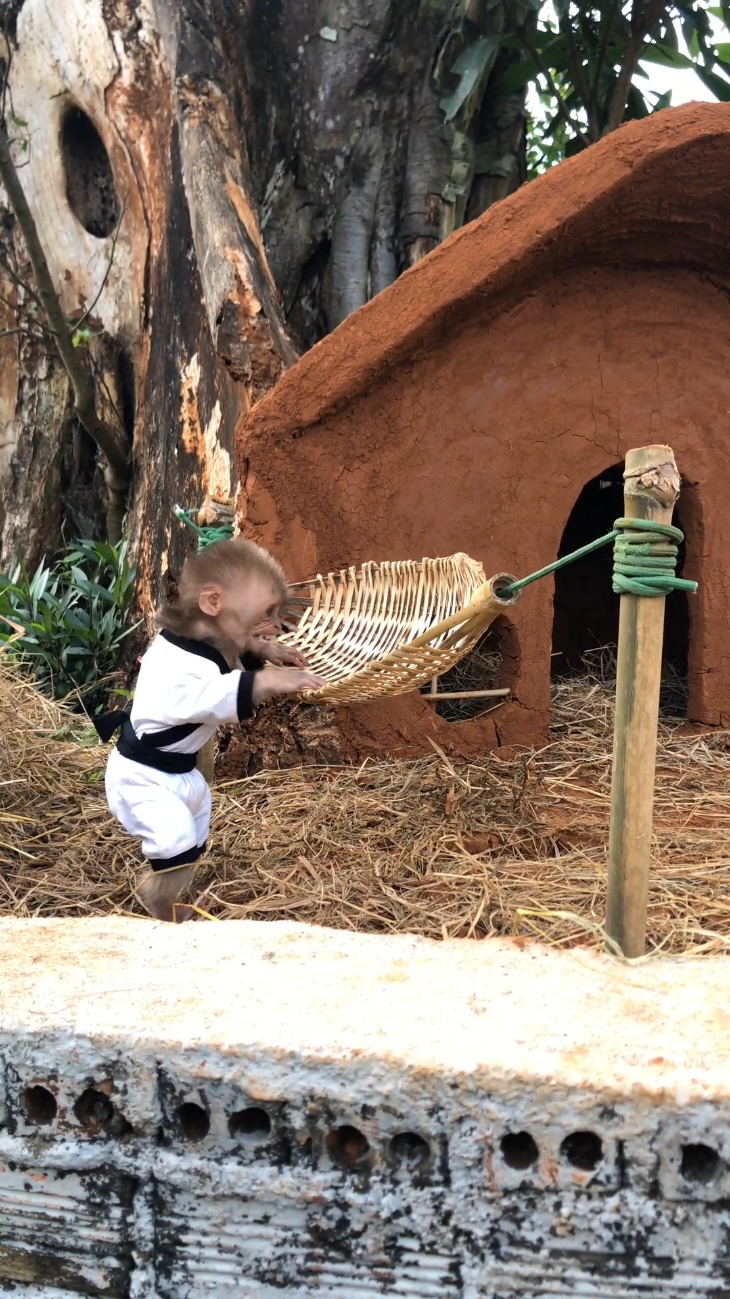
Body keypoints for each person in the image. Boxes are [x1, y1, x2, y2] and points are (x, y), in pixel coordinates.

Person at [94, 537, 325, 921]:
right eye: (268, 612)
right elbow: (214, 694)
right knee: (176, 840)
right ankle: (162, 910)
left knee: (195, 833)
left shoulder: (202, 641)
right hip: (142, 777)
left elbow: (231, 656)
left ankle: (180, 891)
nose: (277, 626)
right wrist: (270, 681)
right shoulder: (175, 666)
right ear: (213, 603)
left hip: (180, 772)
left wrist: (264, 650)